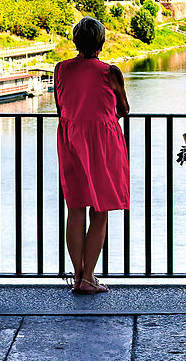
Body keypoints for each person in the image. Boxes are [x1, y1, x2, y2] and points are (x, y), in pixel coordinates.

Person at [54, 15, 130, 295]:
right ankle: (89, 277)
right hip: (103, 143)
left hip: (70, 139)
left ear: (76, 41)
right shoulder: (110, 72)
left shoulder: (60, 68)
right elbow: (124, 109)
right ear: (101, 42)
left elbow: (61, 107)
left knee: (75, 208)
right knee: (100, 210)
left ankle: (77, 276)